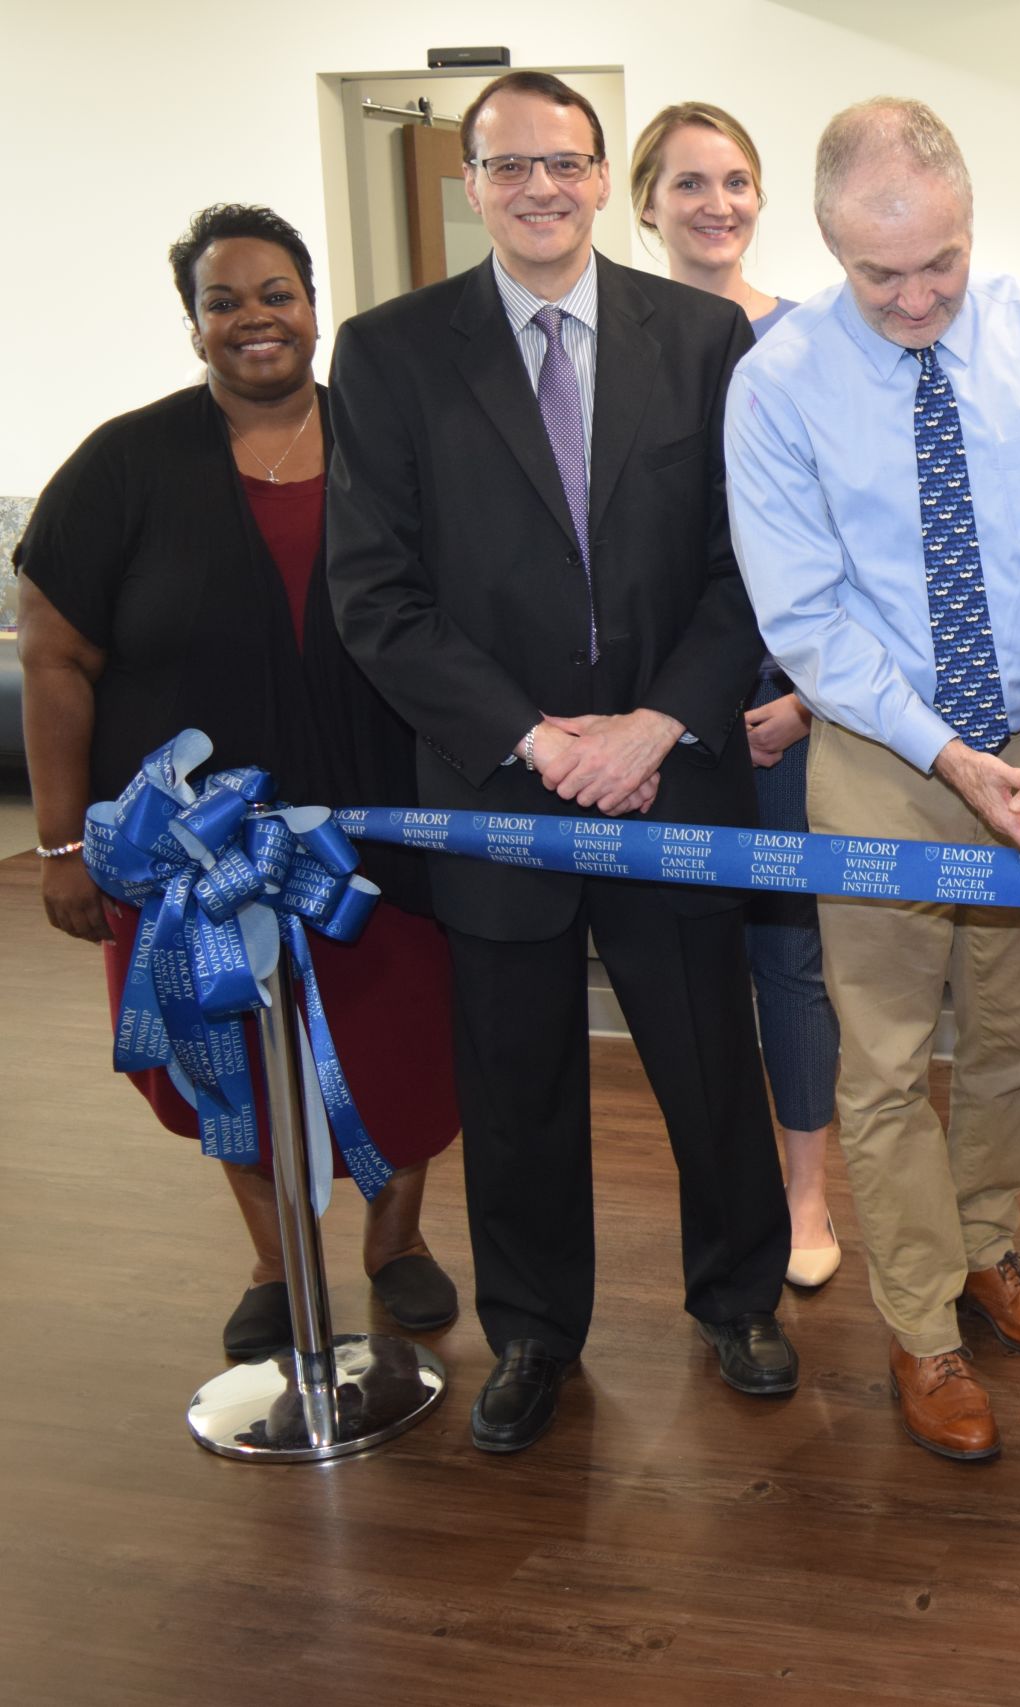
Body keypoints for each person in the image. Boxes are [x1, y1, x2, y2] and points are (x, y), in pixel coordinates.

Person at [328, 71, 797, 1456]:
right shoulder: (390, 353)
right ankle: (533, 1330)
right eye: (509, 165)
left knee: (711, 1062)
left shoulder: (708, 339)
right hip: (496, 792)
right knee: (517, 1081)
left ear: (605, 179)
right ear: (471, 183)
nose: (540, 186)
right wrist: (537, 741)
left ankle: (740, 1300)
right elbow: (376, 595)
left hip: (674, 774)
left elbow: (750, 567)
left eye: (565, 161)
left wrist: (656, 726)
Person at [726, 98, 1020, 1463]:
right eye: (877, 273)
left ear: (971, 220)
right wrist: (945, 751)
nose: (914, 297)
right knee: (891, 1057)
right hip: (883, 749)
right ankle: (920, 1324)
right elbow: (806, 618)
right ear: (830, 244)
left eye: (939, 264)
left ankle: (983, 1251)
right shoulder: (778, 380)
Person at [15, 203, 460, 1361]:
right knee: (228, 1060)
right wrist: (61, 845)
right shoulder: (125, 462)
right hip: (188, 864)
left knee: (403, 1049)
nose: (254, 319)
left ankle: (395, 1245)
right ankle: (274, 1263)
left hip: (385, 841)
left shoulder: (393, 439)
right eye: (224, 302)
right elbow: (54, 655)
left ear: (315, 306)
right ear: (194, 325)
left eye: (276, 294)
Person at [633, 100, 841, 1289]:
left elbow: (854, 539)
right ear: (647, 201)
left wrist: (807, 698)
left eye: (736, 182)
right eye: (690, 184)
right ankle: (726, 1198)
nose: (716, 206)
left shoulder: (815, 341)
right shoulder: (622, 334)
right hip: (669, 717)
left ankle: (807, 1197)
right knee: (685, 965)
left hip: (793, 709)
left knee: (793, 959)